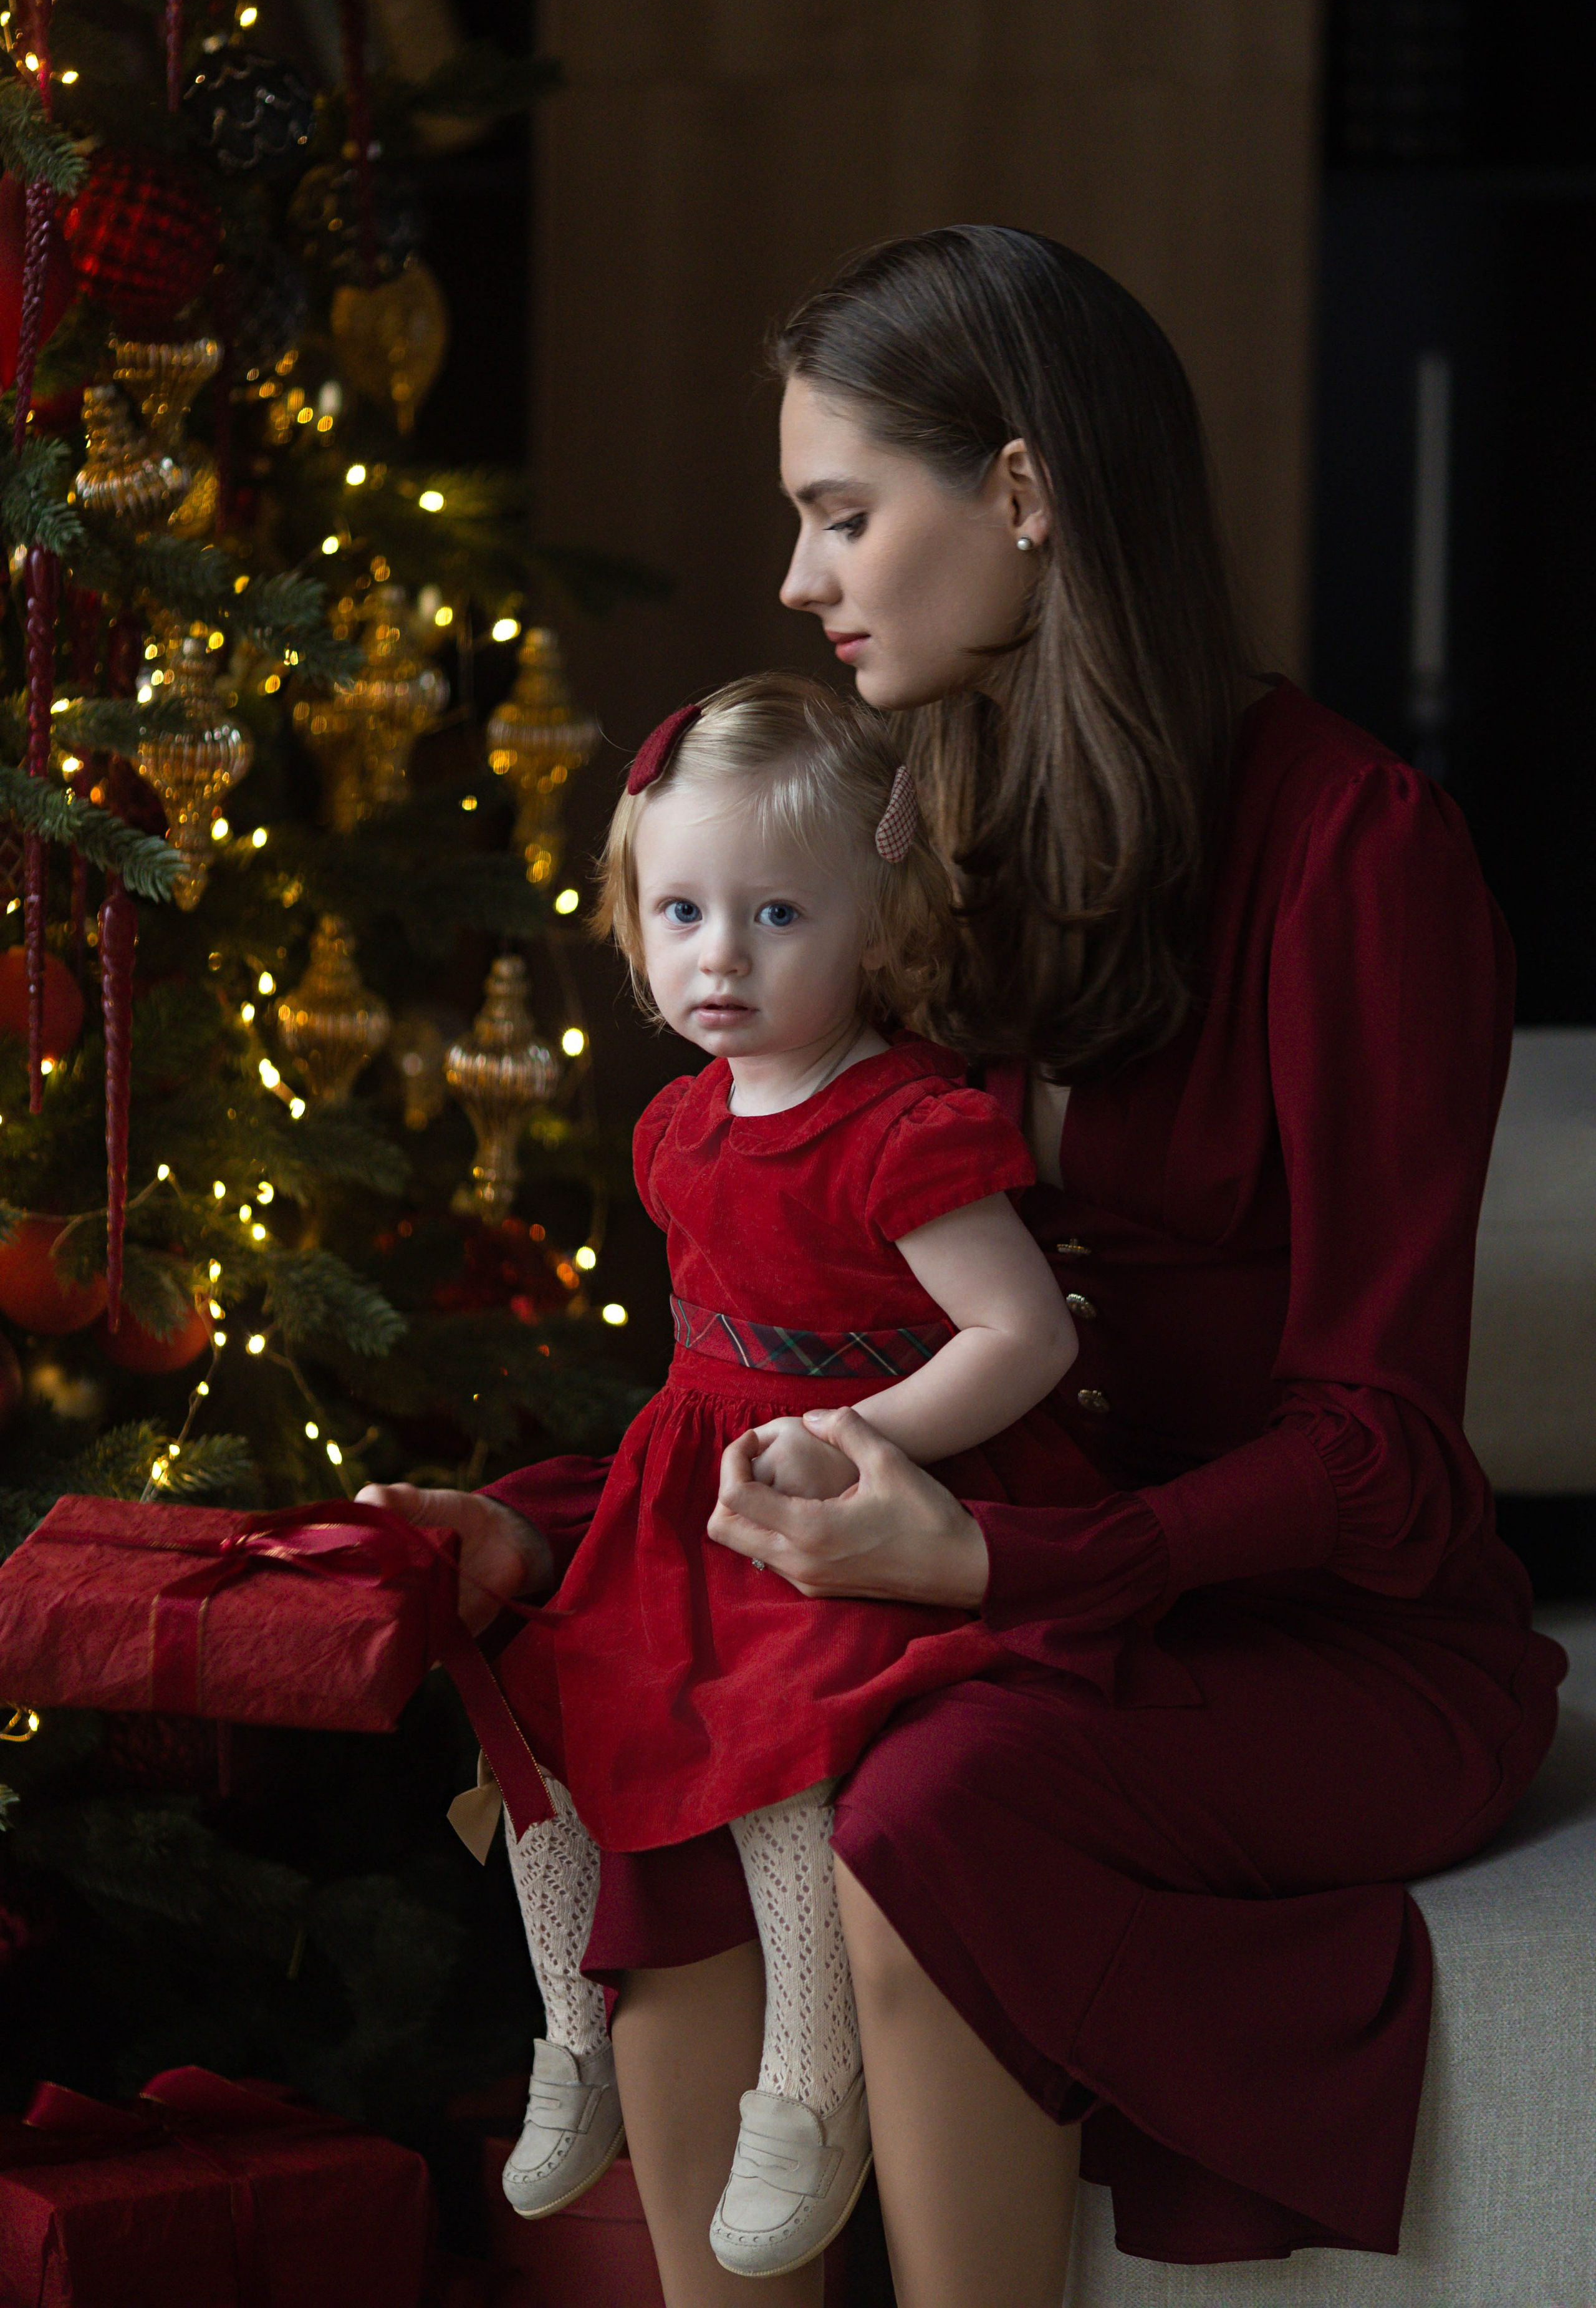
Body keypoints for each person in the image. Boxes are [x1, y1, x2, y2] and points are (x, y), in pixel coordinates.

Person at [365, 225, 1566, 2308]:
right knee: (665, 1723)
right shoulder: (900, 836)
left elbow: (1383, 1457)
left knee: (927, 1798)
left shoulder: (1353, 848)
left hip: (1315, 1636)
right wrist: (544, 1525)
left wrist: (1012, 1565)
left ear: (1020, 493)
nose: (797, 578)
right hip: (982, 1567)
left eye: (842, 513)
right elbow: (811, 1329)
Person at [471, 674, 1085, 2277]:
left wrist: (860, 1441)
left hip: (851, 1501)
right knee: (546, 1710)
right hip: (696, 1496)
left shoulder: (900, 1128)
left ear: (877, 927)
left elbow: (1020, 1335)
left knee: (770, 1748)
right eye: (680, 912)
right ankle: (573, 2038)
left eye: (776, 914)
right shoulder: (679, 1125)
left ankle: (812, 2084)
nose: (719, 958)